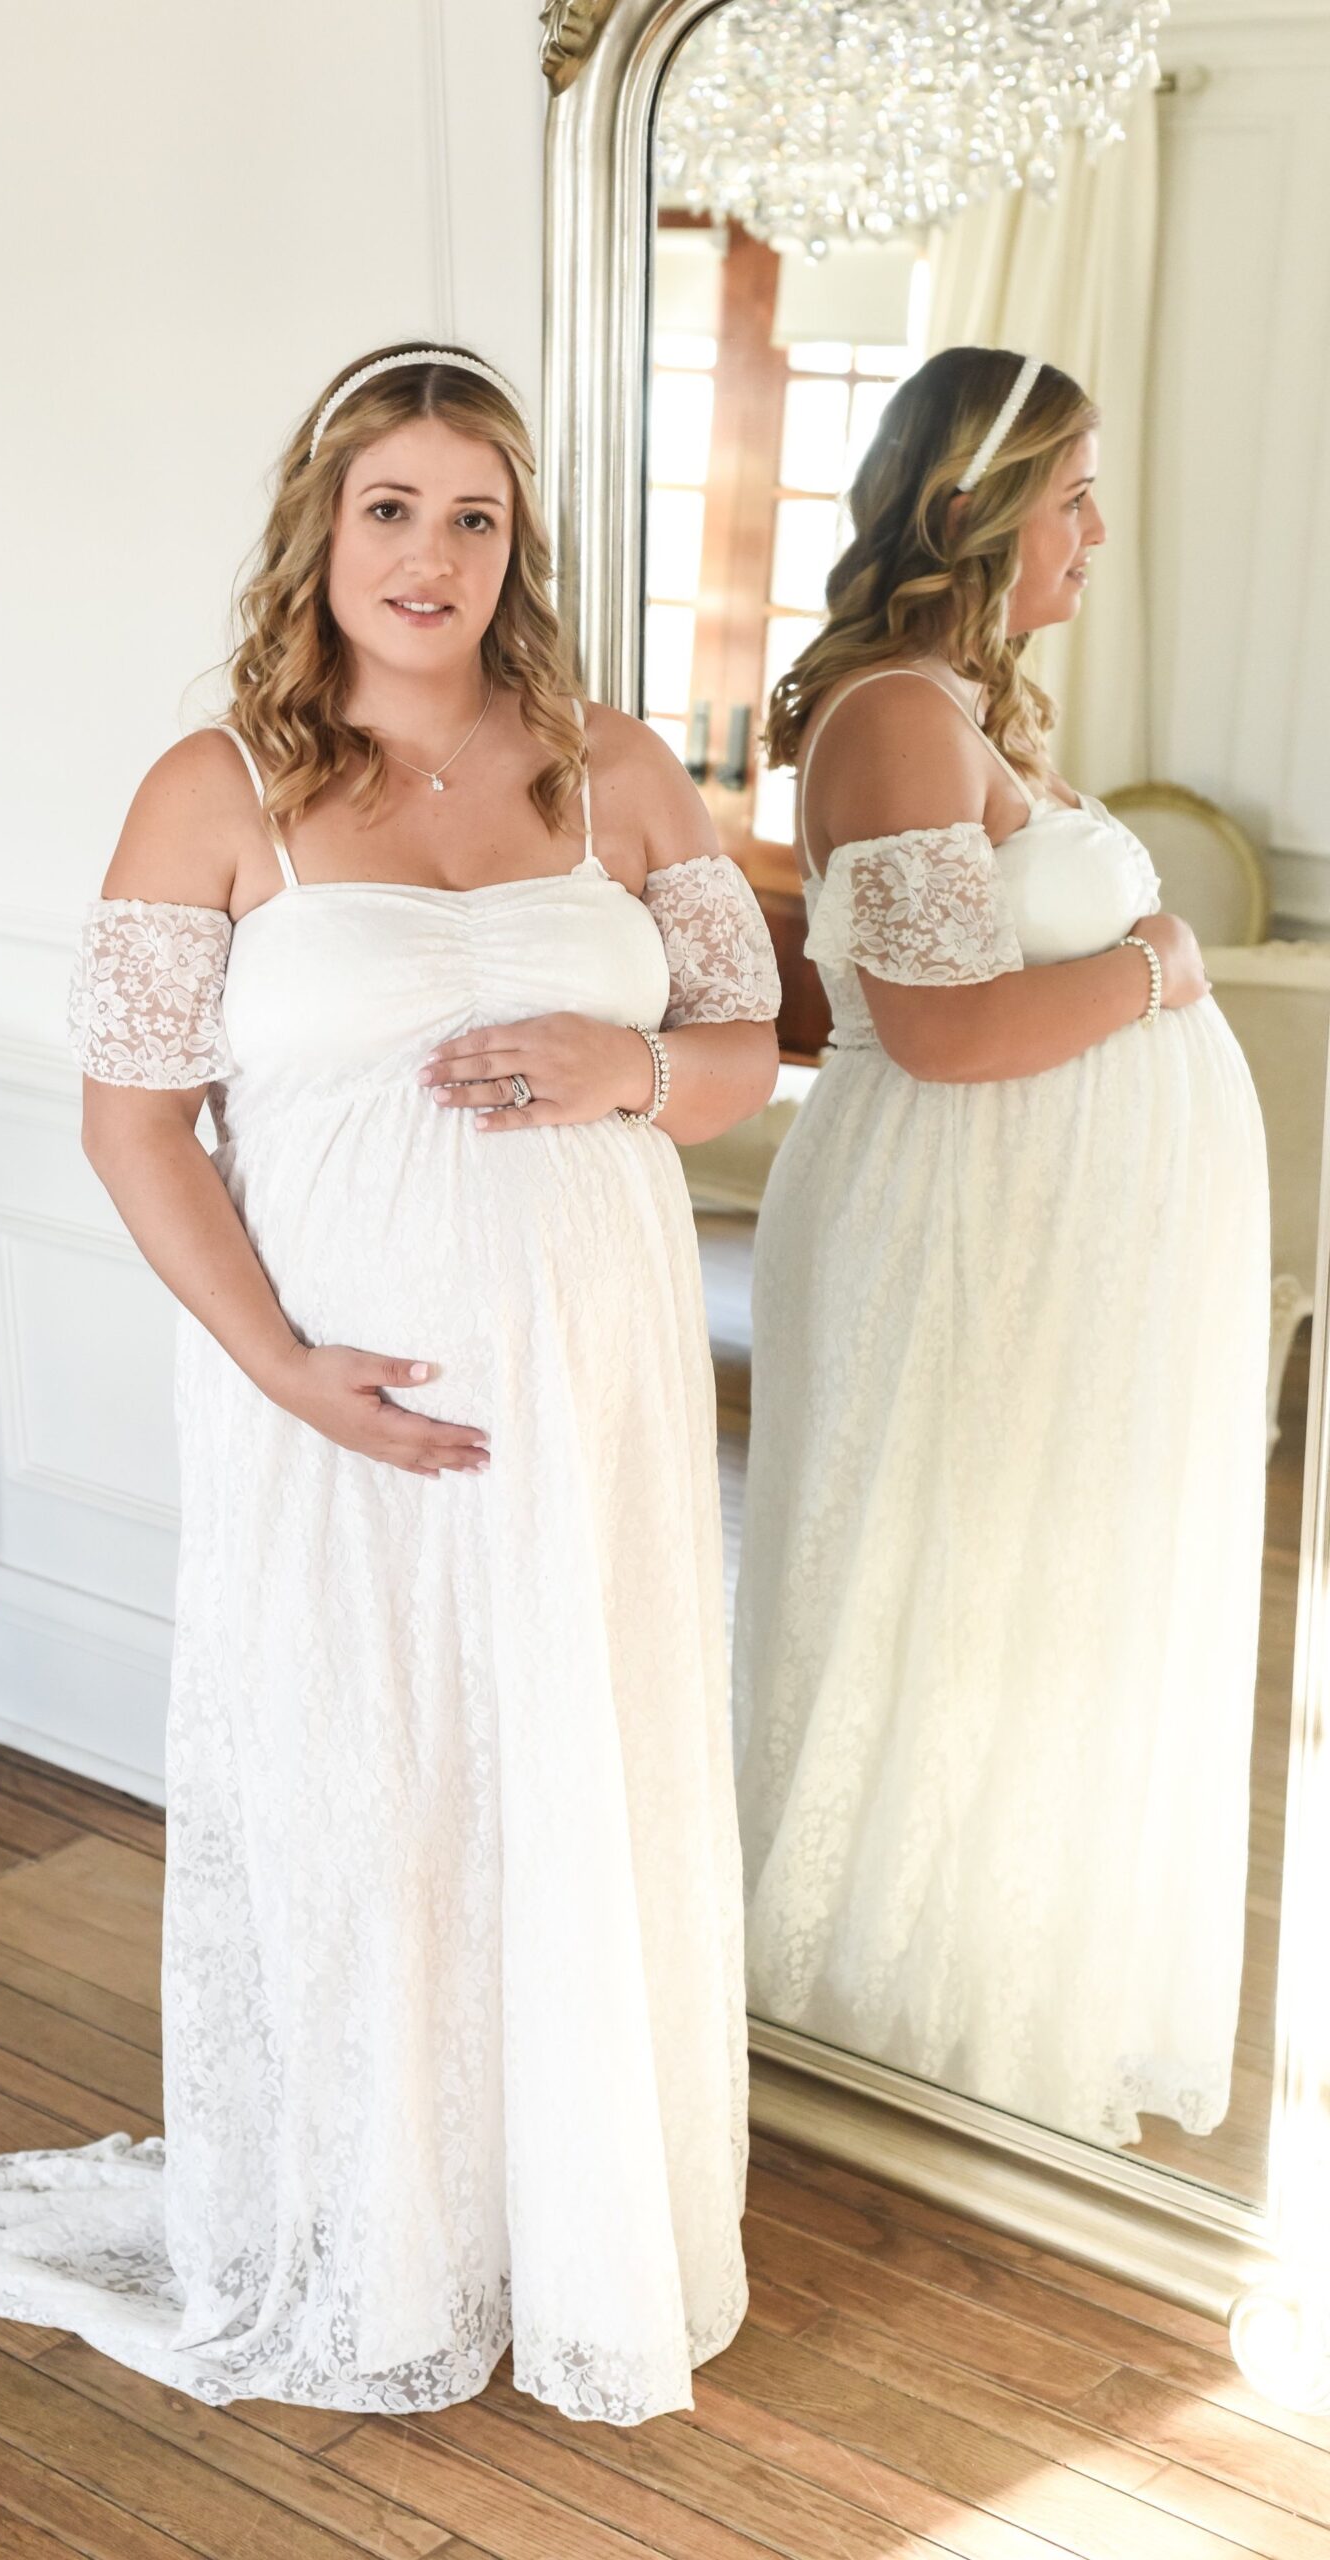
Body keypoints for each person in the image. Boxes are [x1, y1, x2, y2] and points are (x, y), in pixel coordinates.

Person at [0, 343, 782, 2421]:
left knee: (576, 1764)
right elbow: (133, 1123)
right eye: (395, 507)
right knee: (376, 1794)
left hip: (598, 1387)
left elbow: (742, 1055)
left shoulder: (619, 769)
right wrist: (287, 1367)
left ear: (517, 549)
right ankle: (381, 2239)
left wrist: (624, 1065)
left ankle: (576, 2223)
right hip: (341, 1400)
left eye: (477, 516)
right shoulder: (217, 787)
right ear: (323, 525)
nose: (434, 555)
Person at [733, 347, 1269, 2149]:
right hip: (936, 1235)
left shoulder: (965, 711)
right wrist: (1153, 970)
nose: (1100, 532)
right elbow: (945, 1030)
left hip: (1011, 1248)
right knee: (925, 1599)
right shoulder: (892, 714)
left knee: (1005, 1614)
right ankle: (867, 2009)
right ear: (975, 513)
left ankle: (968, 1985)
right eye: (1077, 494)